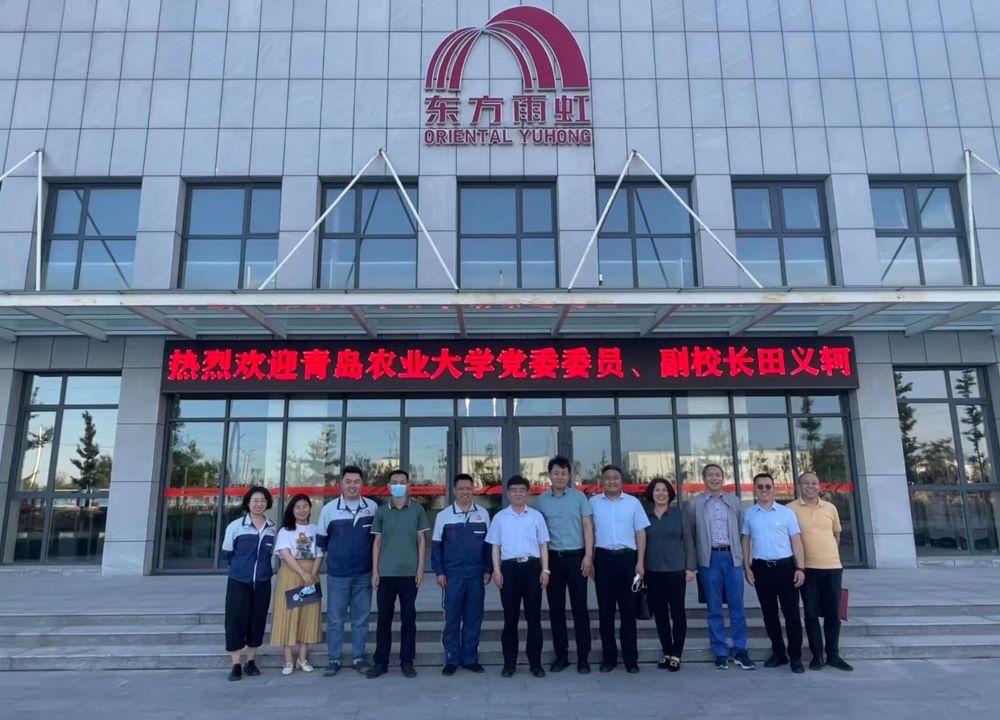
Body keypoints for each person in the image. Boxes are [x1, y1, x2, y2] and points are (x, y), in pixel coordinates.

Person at [686, 463, 755, 670]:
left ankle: (740, 650)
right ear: (704, 478)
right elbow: (691, 536)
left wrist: (746, 562)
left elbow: (743, 532)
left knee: (737, 607)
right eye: (710, 475)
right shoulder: (695, 504)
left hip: (732, 558)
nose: (714, 478)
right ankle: (720, 650)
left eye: (718, 475)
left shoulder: (734, 501)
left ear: (723, 478)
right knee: (714, 607)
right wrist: (692, 565)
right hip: (709, 559)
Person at [367, 469, 430, 679]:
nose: (398, 485)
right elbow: (377, 542)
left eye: (402, 482)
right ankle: (381, 662)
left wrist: (420, 568)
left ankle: (407, 661)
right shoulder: (382, 511)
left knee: (408, 619)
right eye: (394, 482)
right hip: (386, 573)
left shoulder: (417, 510)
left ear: (409, 484)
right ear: (388, 486)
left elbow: (422, 541)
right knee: (383, 620)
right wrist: (375, 570)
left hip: (409, 574)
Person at [486, 474, 550, 678]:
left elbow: (543, 545)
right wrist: (497, 570)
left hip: (532, 568)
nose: (518, 494)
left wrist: (545, 570)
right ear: (508, 493)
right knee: (510, 619)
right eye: (514, 491)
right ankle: (509, 664)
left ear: (528, 493)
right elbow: (495, 546)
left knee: (534, 618)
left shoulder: (536, 517)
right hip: (509, 570)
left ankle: (535, 664)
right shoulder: (500, 517)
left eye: (522, 490)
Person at [741, 472, 806, 674]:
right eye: (760, 486)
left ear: (774, 489)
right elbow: (745, 541)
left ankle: (795, 657)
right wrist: (747, 567)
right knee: (769, 615)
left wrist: (800, 568)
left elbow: (796, 541)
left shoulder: (787, 513)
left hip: (786, 569)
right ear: (754, 490)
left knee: (792, 615)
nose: (764, 490)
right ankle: (778, 653)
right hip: (761, 569)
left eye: (768, 486)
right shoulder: (749, 514)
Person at [534, 455, 594, 674]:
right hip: (553, 560)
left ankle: (583, 658)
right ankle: (561, 656)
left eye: (563, 473)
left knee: (580, 610)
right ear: (550, 475)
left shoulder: (579, 498)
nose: (560, 477)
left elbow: (587, 526)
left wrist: (588, 555)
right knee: (556, 610)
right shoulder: (541, 500)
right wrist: (543, 565)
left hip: (577, 559)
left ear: (569, 476)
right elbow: (539, 533)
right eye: (556, 473)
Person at [317, 465, 378, 676]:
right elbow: (322, 541)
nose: (352, 485)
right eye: (348, 482)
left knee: (361, 618)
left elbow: (377, 540)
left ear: (362, 484)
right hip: (338, 575)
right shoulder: (329, 510)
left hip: (364, 573)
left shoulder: (372, 508)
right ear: (341, 484)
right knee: (335, 619)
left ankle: (358, 657)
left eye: (356, 482)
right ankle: (334, 659)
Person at [789, 472, 853, 672]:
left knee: (833, 614)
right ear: (799, 486)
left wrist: (829, 553)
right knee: (811, 614)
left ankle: (833, 655)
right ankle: (817, 656)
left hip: (832, 567)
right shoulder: (790, 509)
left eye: (814, 483)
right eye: (806, 483)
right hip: (807, 569)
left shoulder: (830, 508)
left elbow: (836, 534)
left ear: (819, 486)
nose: (810, 486)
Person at [589, 463, 649, 673]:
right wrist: (590, 559)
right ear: (601, 481)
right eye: (607, 478)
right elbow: (589, 533)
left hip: (628, 560)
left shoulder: (633, 503)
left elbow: (640, 533)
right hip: (603, 558)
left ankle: (631, 659)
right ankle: (609, 658)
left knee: (628, 612)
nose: (612, 481)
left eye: (615, 478)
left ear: (621, 481)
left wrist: (640, 562)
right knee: (605, 612)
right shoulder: (593, 503)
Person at [432, 473, 492, 675]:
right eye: (461, 489)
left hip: (476, 576)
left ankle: (470, 658)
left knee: (473, 618)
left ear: (473, 489)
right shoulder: (444, 516)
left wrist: (488, 569)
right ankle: (451, 658)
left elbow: (488, 546)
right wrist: (439, 572)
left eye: (468, 488)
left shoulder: (483, 514)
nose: (465, 492)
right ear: (454, 491)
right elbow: (437, 547)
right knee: (452, 619)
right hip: (452, 576)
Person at [221, 485, 277, 681]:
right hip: (239, 581)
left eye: (262, 500)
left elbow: (272, 553)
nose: (259, 504)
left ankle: (251, 661)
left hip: (262, 581)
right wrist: (241, 569)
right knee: (235, 620)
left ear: (267, 503)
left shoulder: (272, 528)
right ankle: (236, 663)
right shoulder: (236, 526)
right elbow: (228, 554)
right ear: (248, 503)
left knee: (257, 620)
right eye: (255, 500)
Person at [642, 478, 696, 671]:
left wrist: (690, 568)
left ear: (670, 494)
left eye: (664, 490)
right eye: (657, 490)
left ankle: (676, 653)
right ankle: (666, 651)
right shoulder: (645, 516)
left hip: (676, 571)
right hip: (652, 572)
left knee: (677, 612)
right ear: (652, 493)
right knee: (660, 614)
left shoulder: (679, 515)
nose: (661, 493)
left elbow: (689, 542)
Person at [270, 493, 324, 675]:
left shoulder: (316, 529)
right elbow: (285, 554)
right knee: (288, 615)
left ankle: (302, 658)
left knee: (307, 615)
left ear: (310, 508)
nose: (301, 510)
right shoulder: (285, 531)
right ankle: (288, 660)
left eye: (305, 506)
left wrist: (312, 574)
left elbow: (320, 553)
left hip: (311, 575)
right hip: (291, 574)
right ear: (292, 510)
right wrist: (302, 573)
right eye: (297, 507)